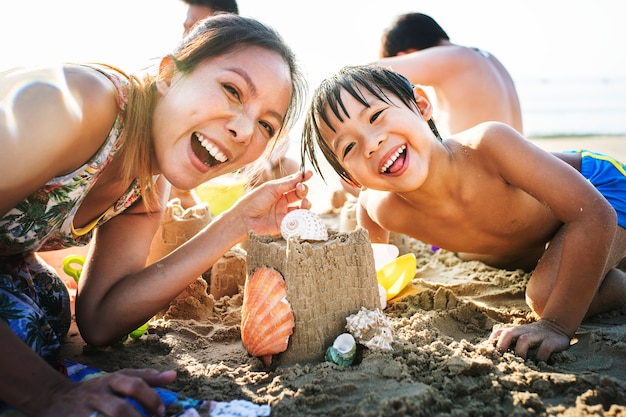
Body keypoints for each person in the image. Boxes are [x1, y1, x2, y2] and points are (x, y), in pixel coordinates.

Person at [0, 14, 310, 417]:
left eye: (267, 125)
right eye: (232, 90)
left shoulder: (146, 184)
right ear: (168, 73)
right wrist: (48, 393)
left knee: (46, 305)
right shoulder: (79, 103)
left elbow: (101, 319)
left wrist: (237, 224)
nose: (245, 131)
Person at [301, 64, 626, 363]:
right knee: (478, 254)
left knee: (544, 297)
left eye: (376, 117)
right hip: (550, 232)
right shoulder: (380, 208)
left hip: (600, 189)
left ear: (421, 105)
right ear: (352, 179)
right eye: (349, 148)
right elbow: (371, 268)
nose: (371, 143)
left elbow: (593, 215)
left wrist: (555, 325)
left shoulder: (488, 146)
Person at [332, 12, 523, 207]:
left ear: (405, 56)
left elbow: (365, 75)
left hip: (483, 185)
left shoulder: (451, 59)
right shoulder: (486, 58)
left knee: (362, 184)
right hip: (517, 181)